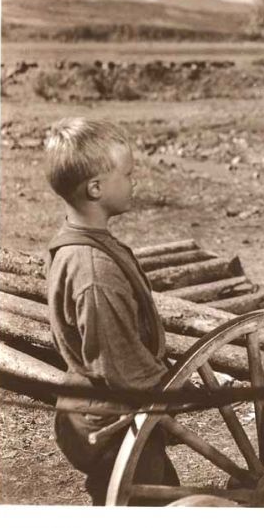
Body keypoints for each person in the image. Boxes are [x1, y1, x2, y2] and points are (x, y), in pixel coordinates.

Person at [44, 117, 179, 504]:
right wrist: (184, 388)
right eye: (128, 174)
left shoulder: (78, 242)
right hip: (112, 424)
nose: (134, 181)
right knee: (149, 501)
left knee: (134, 492)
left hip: (92, 413)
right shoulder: (93, 271)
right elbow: (122, 369)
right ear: (97, 188)